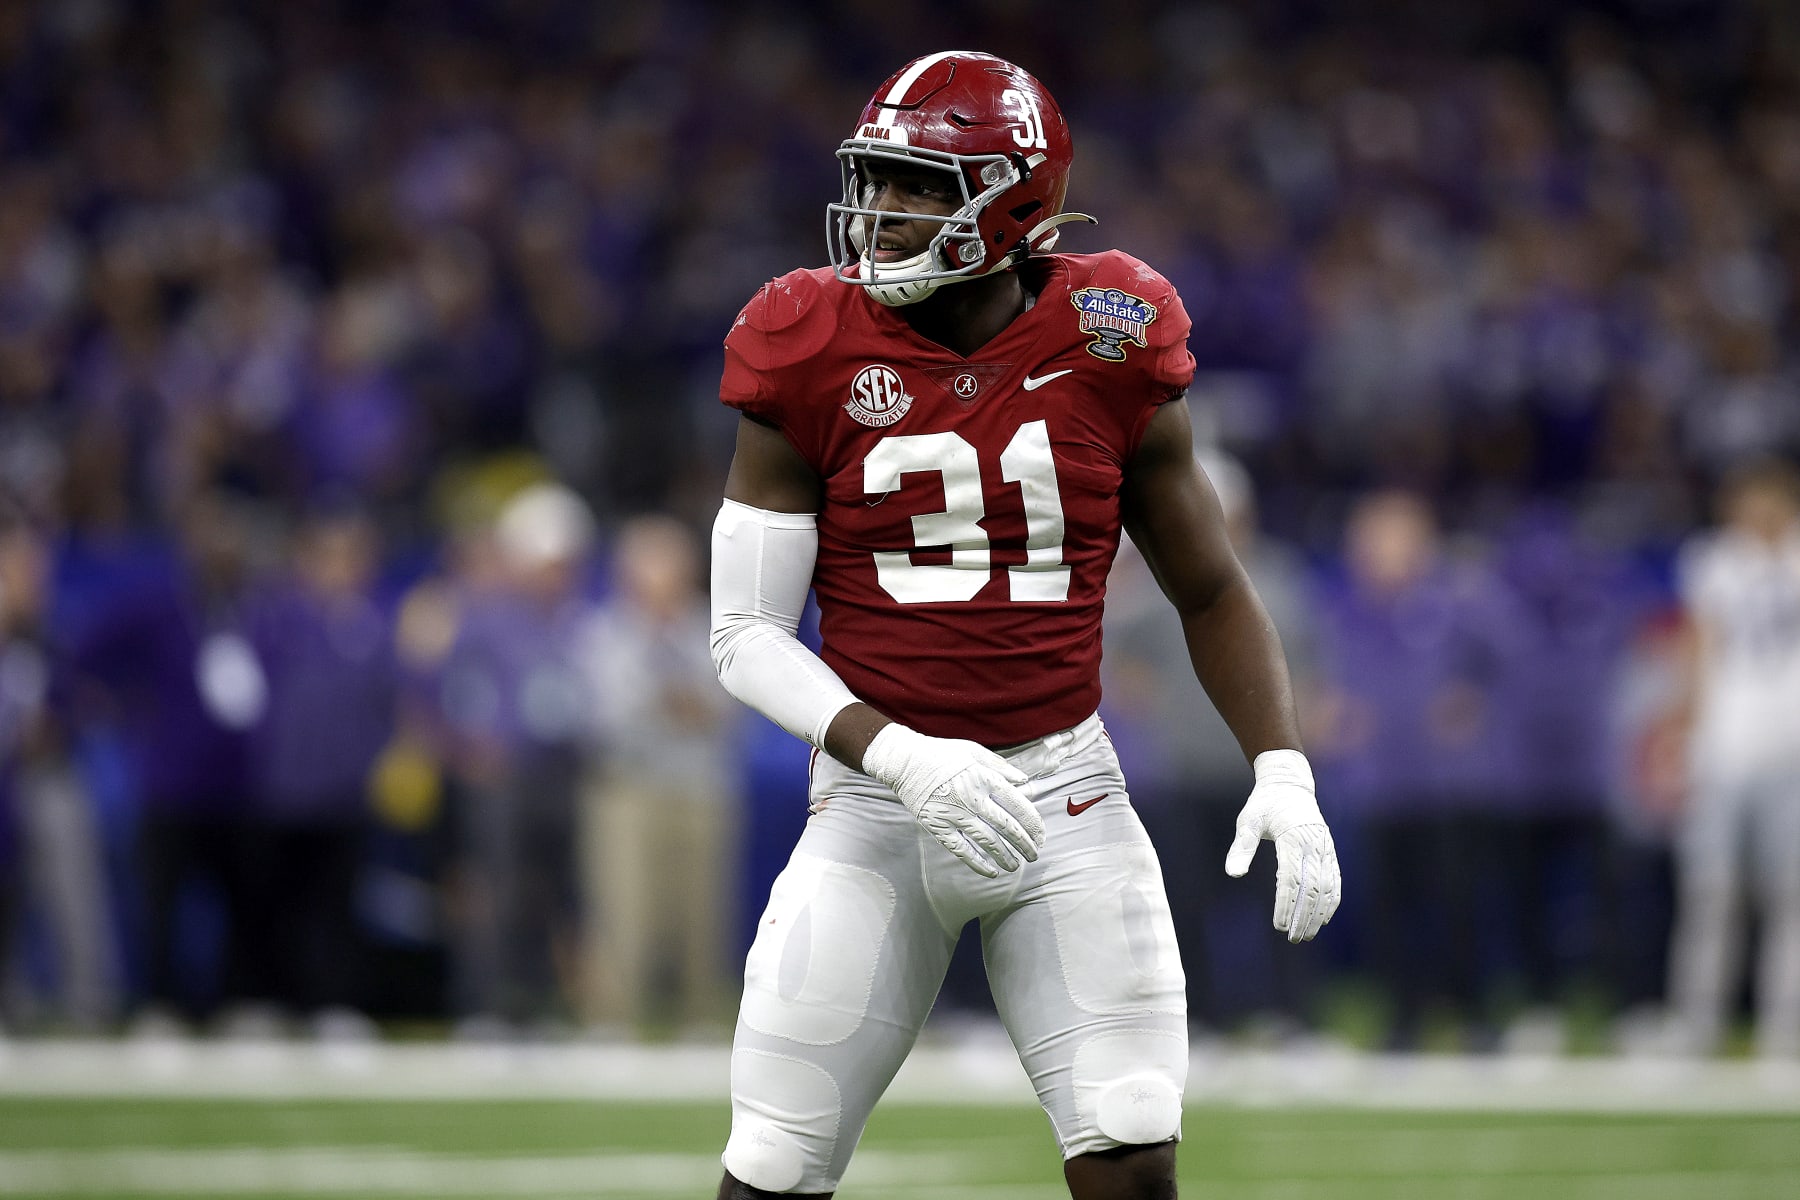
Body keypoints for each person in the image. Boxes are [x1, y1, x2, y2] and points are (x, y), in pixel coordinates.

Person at [707, 52, 1342, 1199]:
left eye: (916, 187)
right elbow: (744, 634)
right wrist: (903, 757)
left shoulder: (1111, 332)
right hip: (874, 808)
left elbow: (1210, 587)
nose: (883, 214)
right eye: (877, 181)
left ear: (1012, 200)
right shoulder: (803, 335)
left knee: (1132, 1146)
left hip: (1064, 795)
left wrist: (1283, 767)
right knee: (773, 1167)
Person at [1663, 457, 1800, 1059]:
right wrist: (1685, 733)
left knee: (1791, 894)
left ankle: (1785, 1031)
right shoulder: (1715, 561)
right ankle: (1696, 1028)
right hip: (1725, 747)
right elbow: (1698, 649)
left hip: (1793, 749)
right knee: (1711, 891)